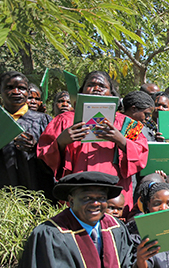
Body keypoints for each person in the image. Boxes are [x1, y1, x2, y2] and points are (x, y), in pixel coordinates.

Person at [11, 172, 146, 268]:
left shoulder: (115, 228)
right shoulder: (52, 234)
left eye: (101, 198)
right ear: (71, 200)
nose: (95, 204)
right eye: (87, 198)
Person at [37, 71, 149, 213]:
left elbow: (142, 154)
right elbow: (44, 154)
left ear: (112, 94)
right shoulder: (64, 120)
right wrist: (61, 142)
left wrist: (121, 140)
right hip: (77, 190)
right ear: (81, 91)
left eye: (102, 86)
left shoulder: (127, 124)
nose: (96, 89)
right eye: (90, 85)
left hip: (114, 194)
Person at [0, 71, 55, 200]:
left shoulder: (43, 120)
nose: (16, 92)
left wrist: (36, 148)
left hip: (37, 192)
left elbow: (56, 154)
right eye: (9, 87)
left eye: (22, 88)